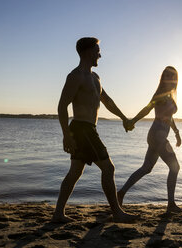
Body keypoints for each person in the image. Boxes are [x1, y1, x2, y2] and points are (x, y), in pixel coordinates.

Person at [52, 37, 137, 223]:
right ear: (88, 51)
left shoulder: (95, 77)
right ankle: (117, 212)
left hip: (88, 128)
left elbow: (107, 101)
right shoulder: (75, 76)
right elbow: (61, 106)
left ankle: (58, 214)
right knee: (108, 168)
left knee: (75, 172)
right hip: (82, 129)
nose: (100, 54)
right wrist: (66, 136)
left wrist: (124, 118)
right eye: (97, 50)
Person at [118, 66, 182, 213]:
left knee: (146, 168)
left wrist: (177, 133)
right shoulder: (160, 94)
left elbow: (169, 118)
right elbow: (147, 109)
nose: (170, 79)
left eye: (172, 76)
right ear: (163, 78)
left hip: (156, 135)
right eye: (167, 76)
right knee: (175, 167)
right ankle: (171, 204)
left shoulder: (169, 95)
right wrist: (132, 121)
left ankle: (120, 193)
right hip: (158, 135)